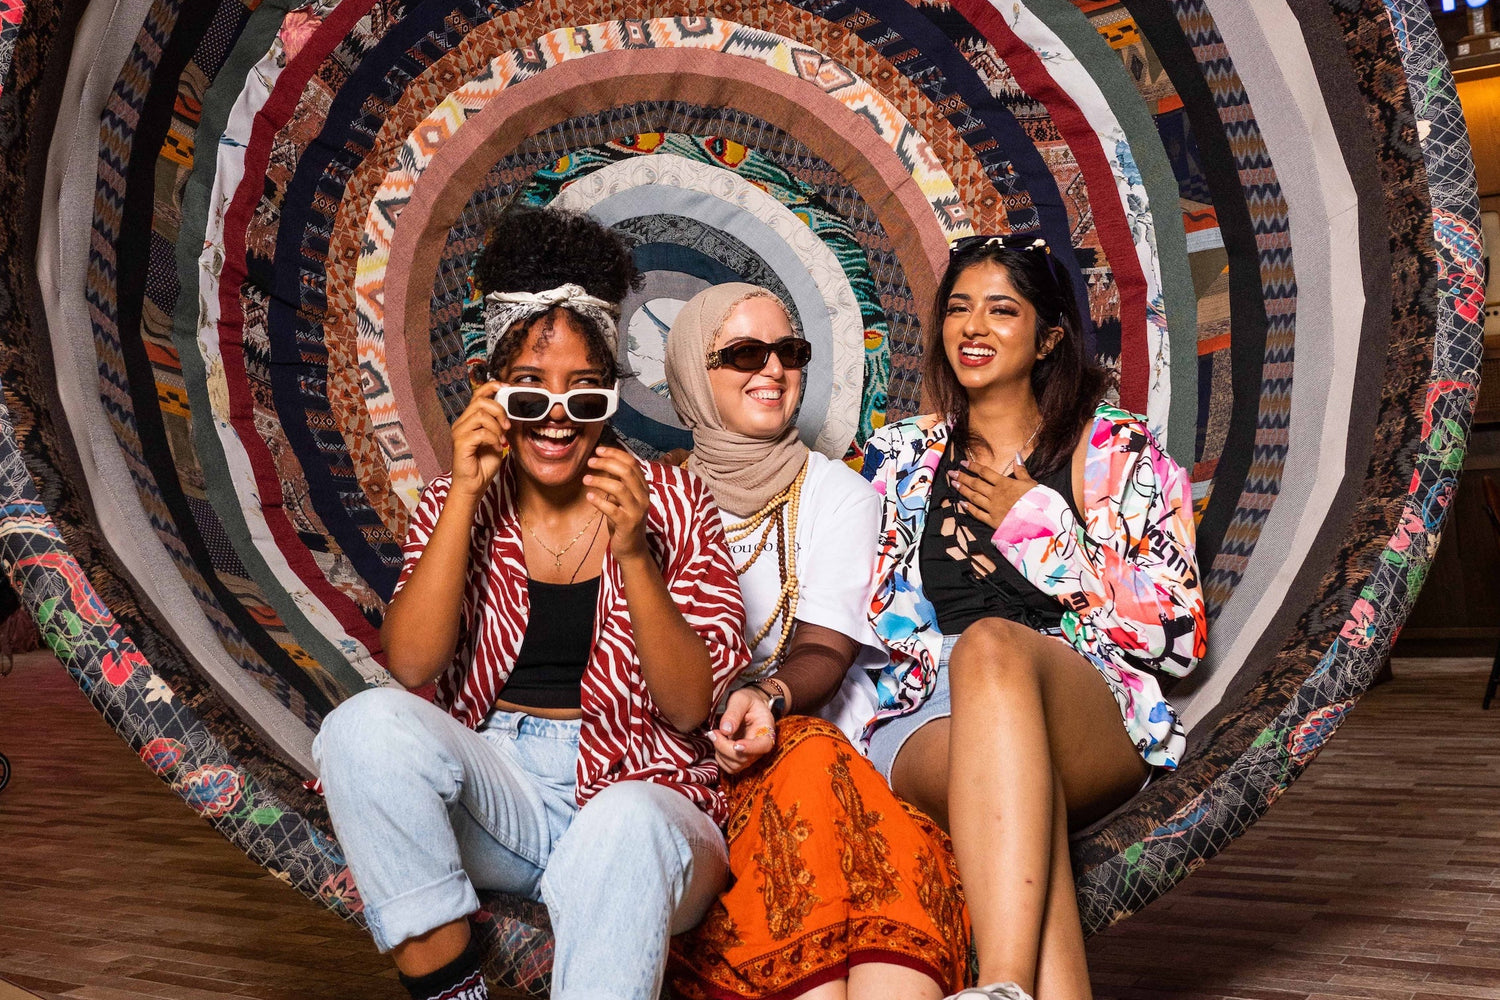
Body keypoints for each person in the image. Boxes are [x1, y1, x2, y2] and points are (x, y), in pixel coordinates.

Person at [312, 207, 749, 1000]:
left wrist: (633, 554)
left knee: (621, 826)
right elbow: (412, 664)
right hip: (502, 790)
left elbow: (690, 709)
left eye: (585, 397)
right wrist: (465, 491)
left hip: (644, 795)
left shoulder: (677, 502)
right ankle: (453, 990)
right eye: (529, 394)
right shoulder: (459, 501)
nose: (556, 419)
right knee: (358, 730)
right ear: (490, 389)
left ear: (611, 397)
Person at [860, 236, 1207, 1000]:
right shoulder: (897, 458)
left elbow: (1178, 639)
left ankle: (1006, 982)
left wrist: (1041, 529)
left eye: (1001, 309)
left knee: (992, 649)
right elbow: (859, 616)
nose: (973, 327)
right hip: (928, 715)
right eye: (958, 307)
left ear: (1049, 334)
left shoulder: (1118, 451)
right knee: (1015, 782)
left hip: (1085, 704)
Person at [662, 284, 970, 1000]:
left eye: (789, 352)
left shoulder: (839, 496)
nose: (772, 370)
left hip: (800, 743)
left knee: (808, 756)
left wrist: (766, 697)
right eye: (743, 353)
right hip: (687, 761)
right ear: (689, 376)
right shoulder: (650, 496)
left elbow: (824, 652)